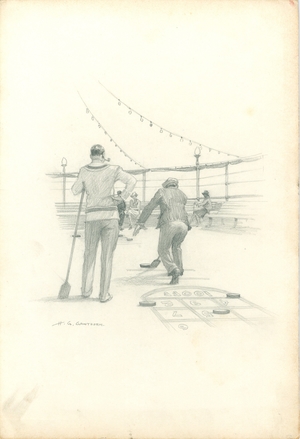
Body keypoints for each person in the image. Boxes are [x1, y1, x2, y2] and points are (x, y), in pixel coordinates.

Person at [71, 144, 136, 302]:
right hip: (110, 216)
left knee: (89, 255)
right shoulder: (113, 169)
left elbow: (74, 190)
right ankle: (103, 294)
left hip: (92, 217)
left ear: (90, 155)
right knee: (107, 257)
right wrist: (123, 196)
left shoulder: (84, 170)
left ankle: (86, 290)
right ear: (103, 154)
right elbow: (132, 180)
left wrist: (86, 184)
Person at [133, 177, 191, 285]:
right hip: (183, 225)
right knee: (176, 246)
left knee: (163, 250)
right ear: (176, 185)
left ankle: (173, 269)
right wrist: (188, 225)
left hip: (169, 224)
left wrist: (141, 222)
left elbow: (149, 207)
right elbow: (182, 210)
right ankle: (180, 269)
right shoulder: (182, 194)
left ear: (166, 185)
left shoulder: (161, 191)